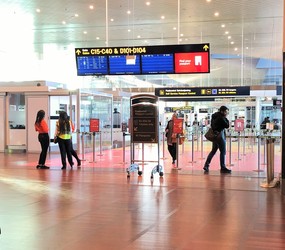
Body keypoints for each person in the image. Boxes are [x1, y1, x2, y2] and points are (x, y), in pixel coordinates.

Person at [203, 106, 232, 174]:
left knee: (213, 151)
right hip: (220, 136)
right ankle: (223, 167)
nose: (226, 113)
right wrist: (226, 118)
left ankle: (206, 165)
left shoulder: (214, 116)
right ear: (222, 111)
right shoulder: (221, 117)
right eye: (226, 112)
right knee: (223, 152)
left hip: (215, 136)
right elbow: (227, 125)